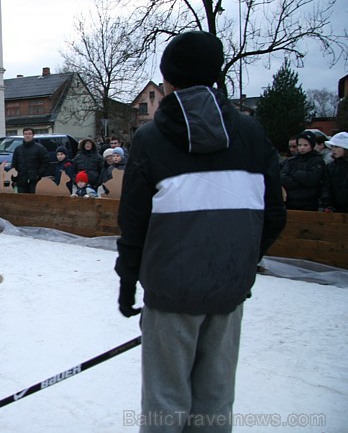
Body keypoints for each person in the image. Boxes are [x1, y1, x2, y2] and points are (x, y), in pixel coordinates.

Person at [115, 31, 286, 433]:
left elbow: (134, 223)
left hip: (170, 293)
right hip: (228, 290)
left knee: (165, 403)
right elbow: (274, 216)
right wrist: (240, 265)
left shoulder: (150, 138)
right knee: (214, 403)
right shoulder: (252, 133)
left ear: (168, 80)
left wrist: (127, 283)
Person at [280, 130, 326, 211]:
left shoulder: (317, 160)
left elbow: (313, 179)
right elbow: (283, 178)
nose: (302, 148)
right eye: (299, 145)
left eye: (305, 145)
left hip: (309, 202)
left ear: (311, 145)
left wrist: (294, 173)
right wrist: (302, 182)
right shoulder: (291, 161)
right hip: (291, 201)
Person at [11, 127, 50, 193]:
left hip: (35, 181)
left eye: (29, 134)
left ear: (33, 135)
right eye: (25, 134)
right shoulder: (18, 149)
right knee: (22, 200)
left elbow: (46, 162)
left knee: (33, 199)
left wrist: (39, 174)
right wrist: (14, 178)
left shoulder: (40, 148)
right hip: (21, 180)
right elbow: (14, 164)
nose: (27, 136)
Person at [320, 132, 348, 212]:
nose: (333, 149)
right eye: (332, 146)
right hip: (336, 208)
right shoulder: (330, 166)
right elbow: (326, 187)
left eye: (336, 146)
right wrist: (327, 204)